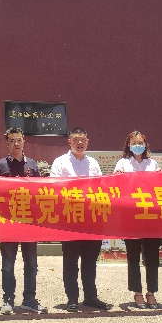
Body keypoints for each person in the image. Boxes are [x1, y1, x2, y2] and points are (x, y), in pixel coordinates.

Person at [49, 127, 109, 312]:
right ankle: (72, 298)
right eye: (76, 139)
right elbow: (53, 187)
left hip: (91, 219)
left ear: (87, 142)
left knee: (90, 261)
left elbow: (101, 187)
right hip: (70, 219)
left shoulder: (93, 163)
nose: (80, 143)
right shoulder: (60, 162)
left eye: (83, 140)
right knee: (71, 261)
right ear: (70, 142)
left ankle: (91, 297)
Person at [0, 127, 47, 315]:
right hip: (9, 223)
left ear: (24, 142)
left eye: (19, 140)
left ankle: (29, 299)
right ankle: (8, 299)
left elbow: (40, 192)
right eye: (12, 140)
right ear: (6, 143)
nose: (16, 144)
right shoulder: (1, 166)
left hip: (29, 222)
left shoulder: (32, 165)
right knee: (8, 264)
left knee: (31, 263)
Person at [113, 131, 162, 309]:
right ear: (129, 145)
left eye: (140, 142)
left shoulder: (152, 164)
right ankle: (137, 293)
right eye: (134, 143)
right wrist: (117, 177)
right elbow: (115, 187)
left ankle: (151, 292)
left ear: (145, 144)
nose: (137, 146)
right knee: (133, 257)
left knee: (152, 257)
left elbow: (160, 187)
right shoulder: (123, 163)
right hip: (131, 217)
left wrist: (161, 177)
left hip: (151, 217)